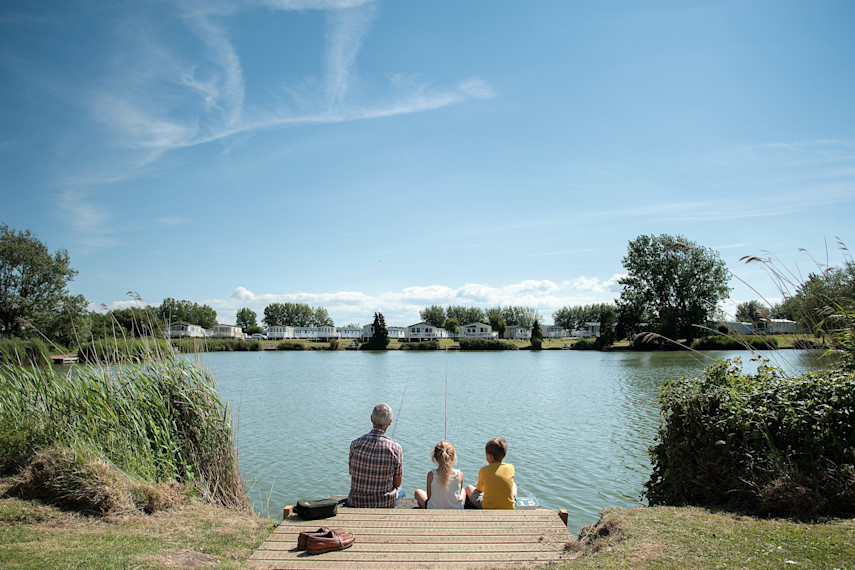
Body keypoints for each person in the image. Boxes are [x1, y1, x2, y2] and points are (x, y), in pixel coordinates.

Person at [347, 402, 404, 507]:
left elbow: (351, 472)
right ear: (390, 422)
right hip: (384, 502)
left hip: (356, 501)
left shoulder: (355, 443)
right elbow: (397, 483)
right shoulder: (396, 448)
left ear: (371, 418)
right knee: (402, 491)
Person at [465, 437, 516, 510]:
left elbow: (479, 489)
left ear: (490, 456)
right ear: (504, 455)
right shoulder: (511, 467)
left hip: (487, 506)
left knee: (469, 488)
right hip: (508, 507)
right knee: (514, 485)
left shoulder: (484, 470)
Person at [413, 441, 465, 509]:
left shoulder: (431, 475)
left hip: (434, 508)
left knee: (417, 492)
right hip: (455, 509)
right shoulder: (459, 475)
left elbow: (429, 497)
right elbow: (459, 493)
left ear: (435, 458)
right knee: (463, 490)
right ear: (453, 457)